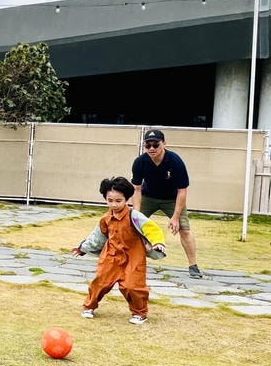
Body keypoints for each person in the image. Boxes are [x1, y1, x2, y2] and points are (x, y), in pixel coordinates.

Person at [72, 176, 166, 324]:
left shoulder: (134, 216)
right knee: (100, 282)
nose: (114, 204)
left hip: (133, 256)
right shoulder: (105, 219)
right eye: (110, 200)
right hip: (110, 256)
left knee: (133, 285)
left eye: (118, 201)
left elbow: (151, 229)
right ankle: (89, 306)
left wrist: (158, 242)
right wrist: (83, 248)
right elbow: (98, 237)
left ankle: (140, 313)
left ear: (126, 199)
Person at [131, 128, 203, 279]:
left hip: (172, 199)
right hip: (148, 196)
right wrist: (136, 214)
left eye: (155, 145)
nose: (151, 148)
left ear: (164, 143)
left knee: (184, 229)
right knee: (132, 226)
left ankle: (193, 265)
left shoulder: (175, 161)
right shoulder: (140, 162)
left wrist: (176, 217)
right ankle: (130, 261)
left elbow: (182, 191)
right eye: (148, 145)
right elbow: (136, 190)